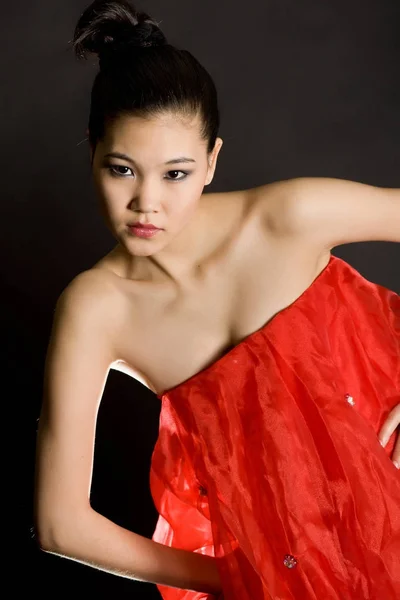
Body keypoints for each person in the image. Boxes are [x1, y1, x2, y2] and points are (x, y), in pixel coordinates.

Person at [34, 1, 400, 598]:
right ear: (92, 153)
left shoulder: (289, 217)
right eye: (122, 169)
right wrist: (234, 575)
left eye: (174, 174)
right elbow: (60, 523)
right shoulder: (97, 309)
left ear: (211, 162)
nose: (146, 203)